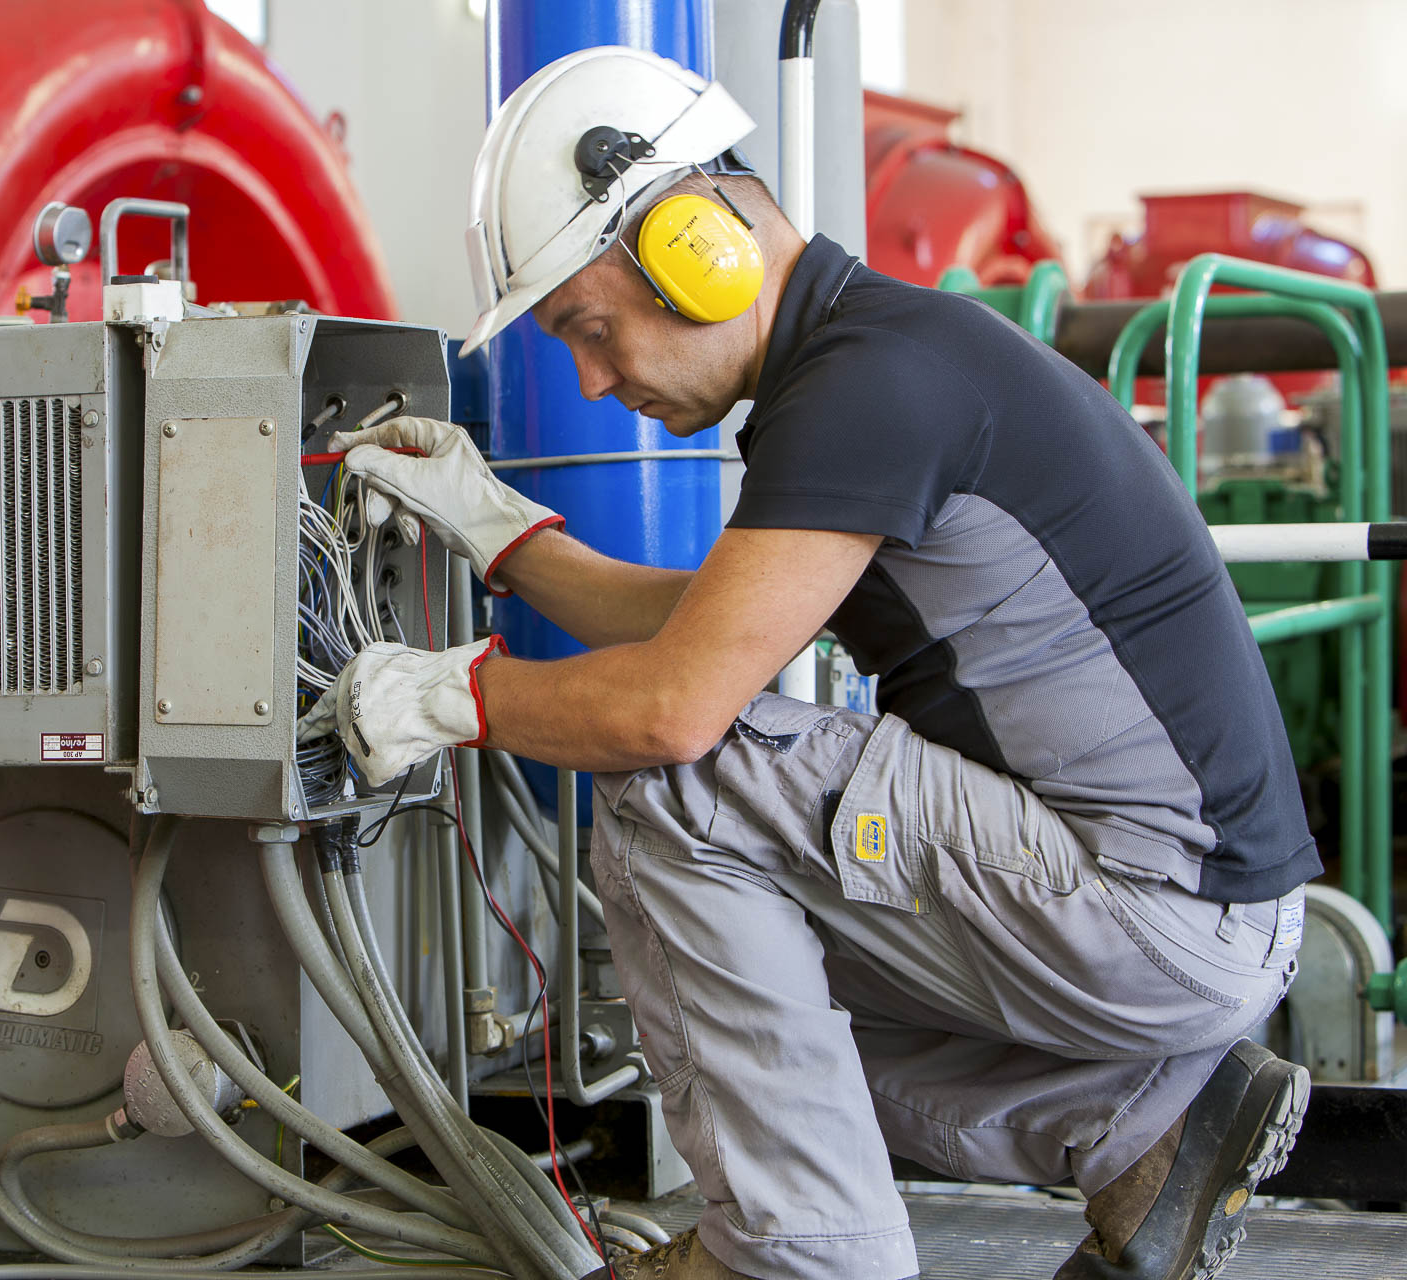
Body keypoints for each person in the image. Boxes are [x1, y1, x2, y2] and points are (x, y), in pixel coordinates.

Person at [298, 46, 1311, 1280]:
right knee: (745, 1011)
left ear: (695, 246)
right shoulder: (879, 356)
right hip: (1192, 916)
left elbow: (674, 707)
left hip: (1152, 908)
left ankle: (796, 1257)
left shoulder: (869, 387)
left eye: (589, 329)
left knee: (674, 783)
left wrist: (452, 696)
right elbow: (718, 621)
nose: (593, 380)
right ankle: (1145, 1128)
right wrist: (499, 528)